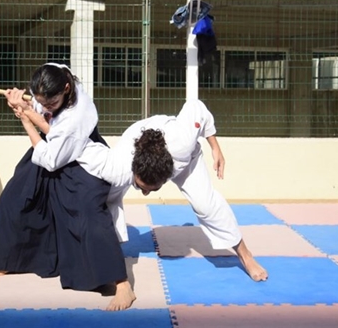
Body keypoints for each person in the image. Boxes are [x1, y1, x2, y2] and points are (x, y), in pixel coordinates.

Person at [0, 63, 135, 311]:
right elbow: (49, 127)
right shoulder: (58, 74)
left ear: (65, 89)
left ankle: (121, 282)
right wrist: (26, 106)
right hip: (54, 144)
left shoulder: (76, 117)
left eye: (51, 102)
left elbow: (51, 158)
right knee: (17, 193)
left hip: (81, 157)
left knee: (86, 210)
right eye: (41, 100)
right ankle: (13, 258)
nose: (46, 106)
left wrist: (27, 118)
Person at [79, 99, 268, 282]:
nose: (144, 194)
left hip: (186, 160)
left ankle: (246, 255)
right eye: (141, 187)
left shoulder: (183, 142)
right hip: (136, 154)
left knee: (205, 205)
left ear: (166, 177)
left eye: (151, 190)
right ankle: (110, 252)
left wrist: (215, 147)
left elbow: (196, 107)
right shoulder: (120, 164)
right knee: (108, 198)